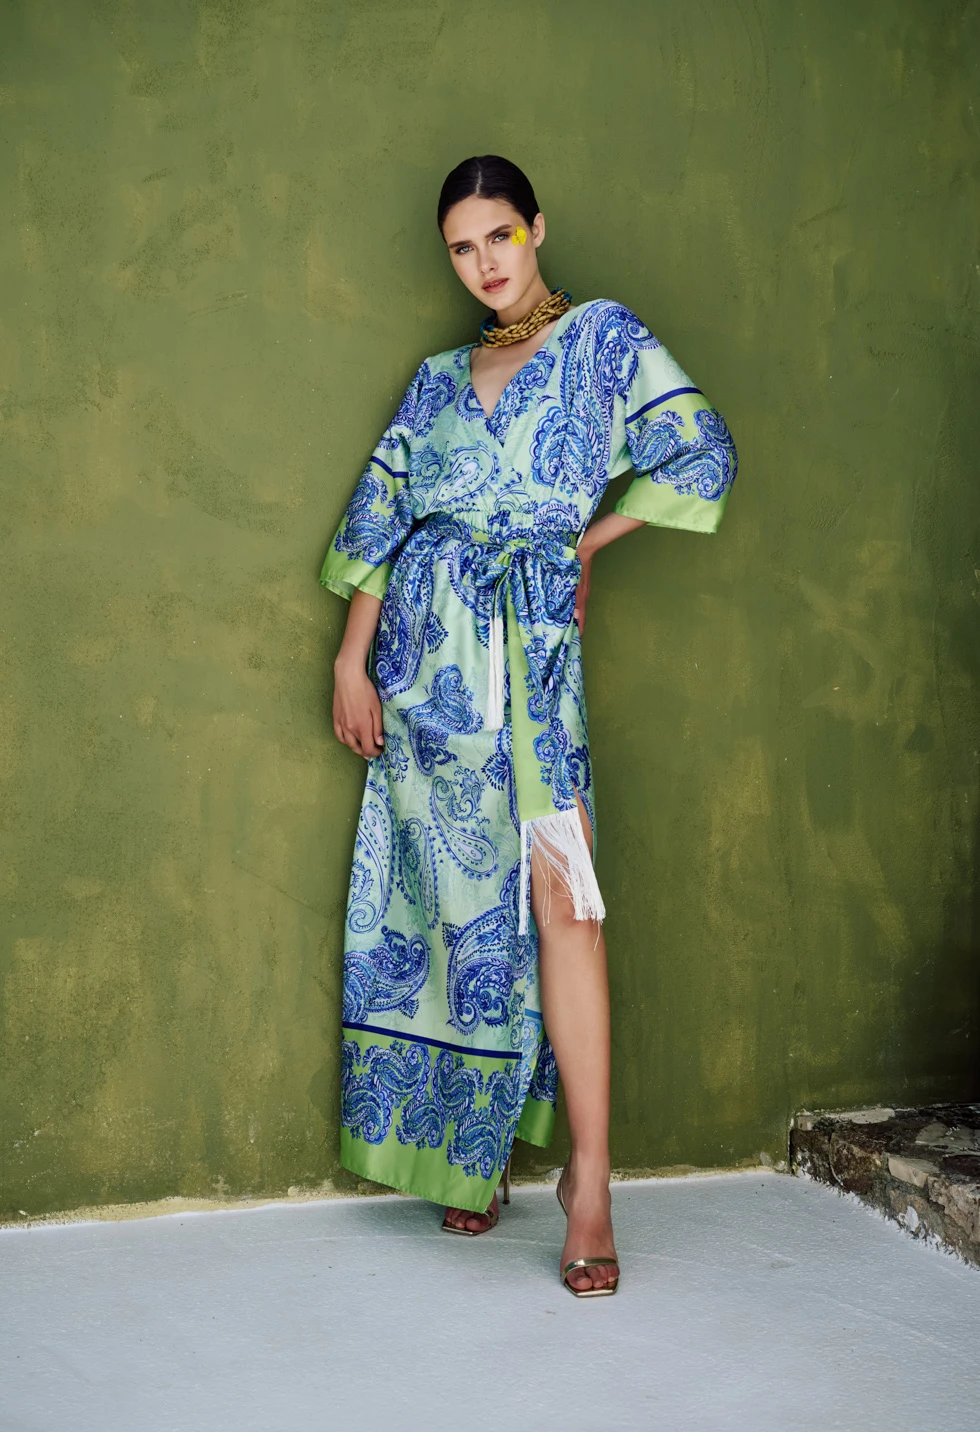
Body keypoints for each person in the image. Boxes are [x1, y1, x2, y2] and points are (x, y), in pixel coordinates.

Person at [320, 155, 737, 1297]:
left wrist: (584, 541)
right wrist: (353, 658)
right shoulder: (436, 379)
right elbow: (383, 515)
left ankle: (588, 1181)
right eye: (462, 248)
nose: (484, 263)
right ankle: (477, 1149)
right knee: (454, 904)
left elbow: (701, 446)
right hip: (427, 673)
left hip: (536, 668)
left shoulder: (603, 340)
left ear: (536, 228)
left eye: (499, 235)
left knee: (565, 903)